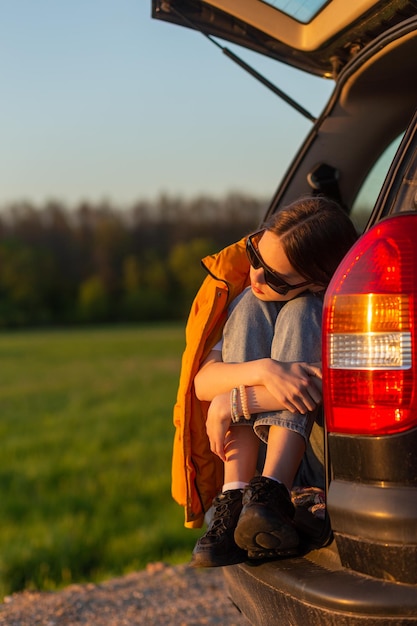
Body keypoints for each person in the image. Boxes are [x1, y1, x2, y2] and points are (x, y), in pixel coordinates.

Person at [188, 196, 358, 567]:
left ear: (321, 279)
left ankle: (272, 495)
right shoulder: (254, 301)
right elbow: (203, 383)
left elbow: (316, 384)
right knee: (250, 304)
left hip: (320, 461)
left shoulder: (336, 311)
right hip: (260, 455)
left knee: (302, 311)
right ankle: (236, 498)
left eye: (277, 277)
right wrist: (265, 371)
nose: (257, 277)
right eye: (255, 257)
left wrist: (233, 402)